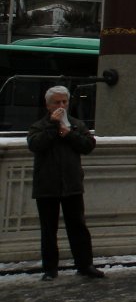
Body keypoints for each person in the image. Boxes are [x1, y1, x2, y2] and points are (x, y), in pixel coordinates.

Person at [26, 86, 105, 281]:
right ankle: (50, 269)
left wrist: (68, 133)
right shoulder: (39, 125)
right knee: (48, 229)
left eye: (64, 102)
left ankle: (85, 264)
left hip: (71, 185)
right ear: (48, 105)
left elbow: (88, 145)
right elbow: (35, 144)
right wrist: (54, 128)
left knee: (78, 227)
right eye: (57, 102)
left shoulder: (76, 124)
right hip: (47, 186)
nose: (61, 106)